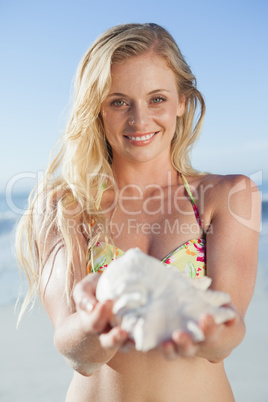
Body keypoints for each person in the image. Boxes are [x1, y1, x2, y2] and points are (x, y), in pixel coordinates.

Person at [16, 23, 261, 401]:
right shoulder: (65, 205)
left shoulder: (225, 196)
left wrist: (205, 326)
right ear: (96, 108)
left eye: (157, 99)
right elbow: (75, 352)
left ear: (182, 101)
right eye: (118, 101)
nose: (139, 119)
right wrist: (97, 324)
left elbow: (224, 342)